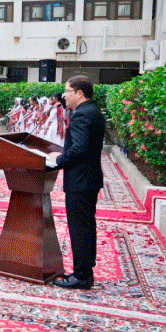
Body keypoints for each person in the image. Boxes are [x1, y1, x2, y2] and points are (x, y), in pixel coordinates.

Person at [50, 76, 105, 290]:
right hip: (89, 179)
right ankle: (84, 271)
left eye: (67, 91)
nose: (64, 95)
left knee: (80, 229)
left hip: (80, 181)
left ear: (79, 93)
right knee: (87, 227)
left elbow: (79, 148)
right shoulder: (93, 111)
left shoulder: (82, 115)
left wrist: (58, 160)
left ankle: (82, 276)